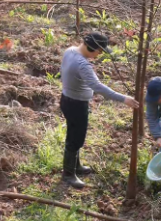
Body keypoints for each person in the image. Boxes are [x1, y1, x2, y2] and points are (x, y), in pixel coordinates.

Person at [59, 32, 139, 189]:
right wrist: (124, 99)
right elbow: (98, 87)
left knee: (73, 134)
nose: (100, 55)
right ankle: (68, 174)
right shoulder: (83, 64)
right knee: (76, 139)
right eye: (99, 51)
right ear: (91, 47)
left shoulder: (70, 51)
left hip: (66, 99)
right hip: (76, 105)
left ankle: (76, 166)